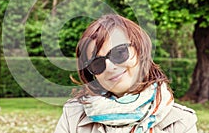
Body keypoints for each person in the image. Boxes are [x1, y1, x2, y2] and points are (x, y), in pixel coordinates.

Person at [54, 14, 197, 133]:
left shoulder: (181, 122)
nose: (110, 67)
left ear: (140, 50)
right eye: (97, 63)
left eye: (119, 52)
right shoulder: (72, 116)